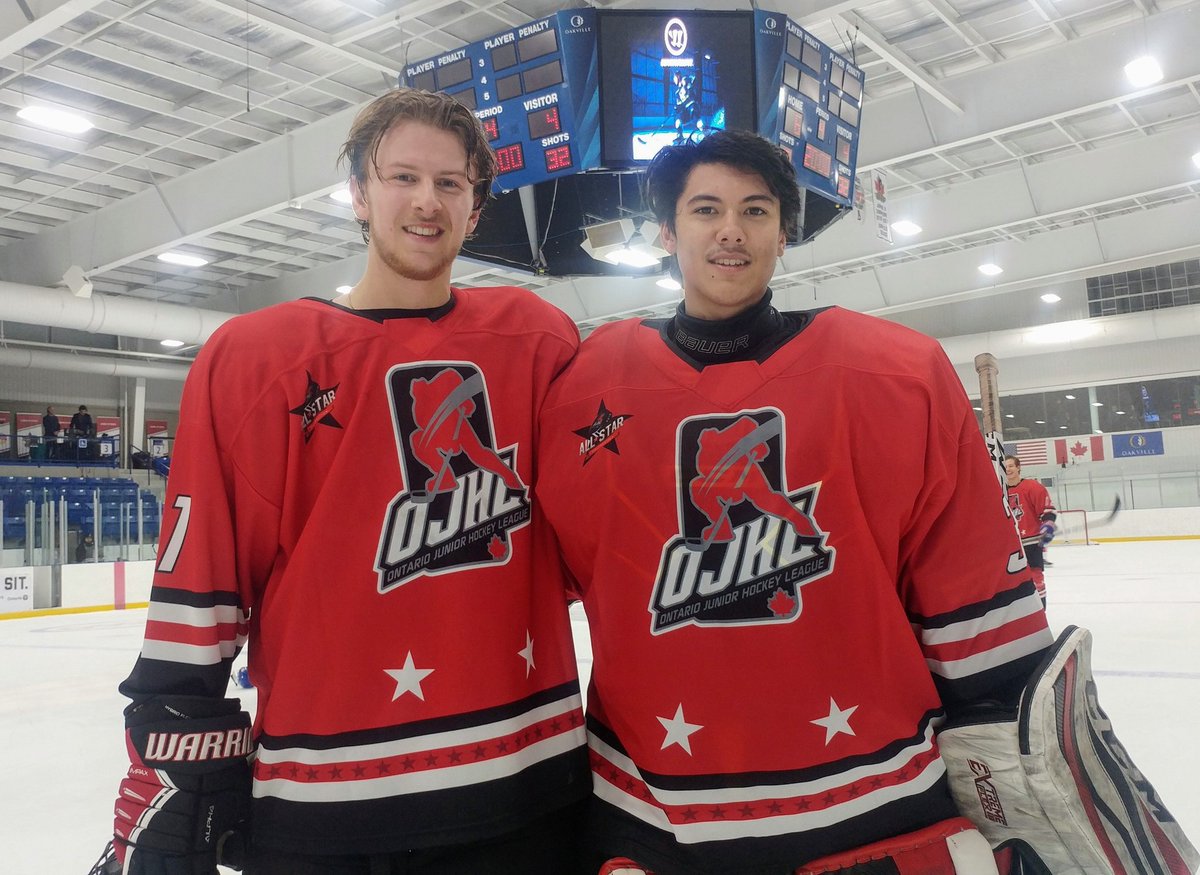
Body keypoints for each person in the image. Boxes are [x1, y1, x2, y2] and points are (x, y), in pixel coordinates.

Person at [535, 130, 1057, 874]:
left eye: (756, 210)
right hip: (653, 811)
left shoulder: (896, 374)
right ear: (664, 231)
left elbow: (970, 595)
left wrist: (1009, 776)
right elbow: (541, 577)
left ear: (784, 232)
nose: (730, 230)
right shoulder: (584, 391)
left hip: (874, 804)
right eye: (705, 209)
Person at [109, 88, 589, 875]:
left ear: (475, 211)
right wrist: (171, 744)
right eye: (402, 177)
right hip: (325, 801)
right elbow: (204, 579)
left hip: (527, 789)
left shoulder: (537, 342)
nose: (426, 201)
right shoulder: (257, 361)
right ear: (359, 195)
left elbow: (605, 531)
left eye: (450, 184)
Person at [1003, 454, 1056, 606]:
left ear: (1018, 467)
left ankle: (1041, 612)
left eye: (1011, 466)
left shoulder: (1032, 487)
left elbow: (1047, 511)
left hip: (1030, 542)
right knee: (1011, 582)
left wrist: (1048, 525)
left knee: (1035, 578)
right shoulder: (998, 491)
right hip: (1009, 545)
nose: (1008, 469)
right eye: (1005, 467)